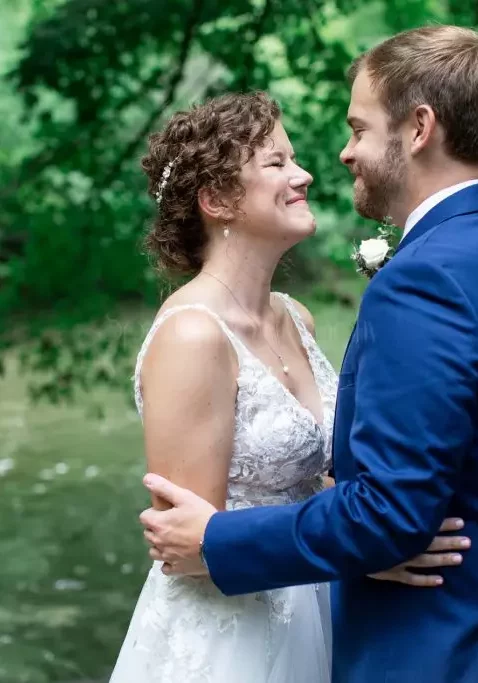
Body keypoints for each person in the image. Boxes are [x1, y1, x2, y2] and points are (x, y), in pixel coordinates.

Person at [139, 25, 478, 683]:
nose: (324, 164)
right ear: (216, 201)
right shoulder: (191, 333)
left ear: (418, 129)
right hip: (242, 627)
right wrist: (376, 538)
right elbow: (181, 540)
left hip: (363, 612)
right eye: (277, 162)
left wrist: (382, 535)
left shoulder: (346, 302)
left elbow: (379, 498)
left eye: (359, 128)